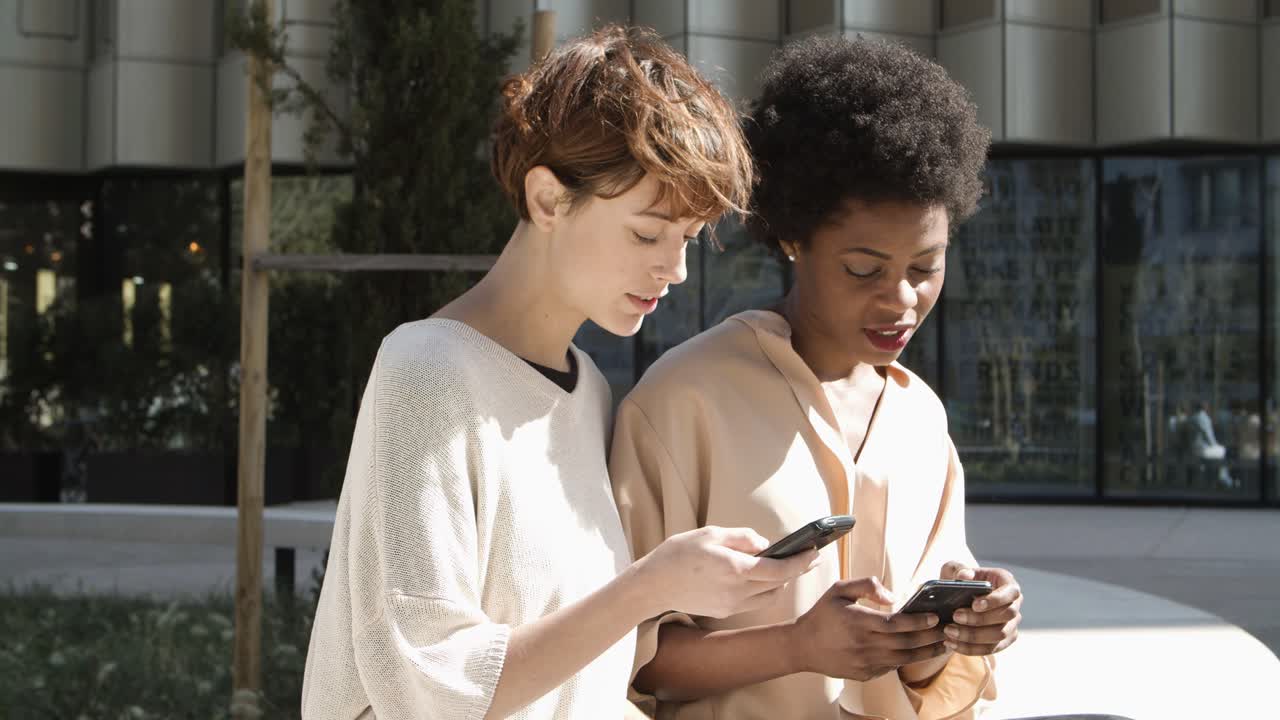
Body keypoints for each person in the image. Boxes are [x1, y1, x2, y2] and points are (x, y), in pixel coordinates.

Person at [300, 26, 816, 720]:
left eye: (687, 240)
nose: (676, 268)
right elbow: (430, 689)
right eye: (647, 233)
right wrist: (649, 584)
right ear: (547, 201)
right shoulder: (426, 372)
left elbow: (577, 689)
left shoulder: (587, 390)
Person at [610, 36, 1021, 719]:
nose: (901, 300)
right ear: (793, 239)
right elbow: (628, 657)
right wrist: (796, 646)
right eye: (864, 269)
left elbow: (920, 681)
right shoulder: (683, 401)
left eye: (926, 267)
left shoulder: (921, 421)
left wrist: (958, 635)